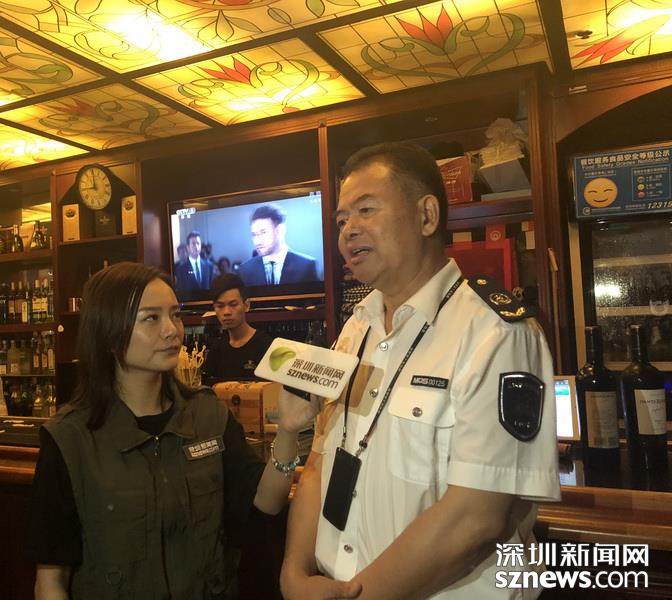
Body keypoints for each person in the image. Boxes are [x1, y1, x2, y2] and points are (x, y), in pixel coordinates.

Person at [280, 142, 560, 600]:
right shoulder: (356, 329)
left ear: (427, 216)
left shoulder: (495, 332)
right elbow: (320, 462)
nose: (348, 231)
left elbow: (475, 517)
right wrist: (294, 572)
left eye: (366, 210)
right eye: (341, 220)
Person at [29, 262, 318, 599]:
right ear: (109, 332)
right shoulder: (69, 439)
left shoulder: (208, 414)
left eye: (175, 315)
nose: (172, 330)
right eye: (151, 318)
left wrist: (287, 432)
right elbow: (50, 581)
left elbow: (265, 503)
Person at [203, 273, 273, 381]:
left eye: (233, 304)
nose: (226, 312)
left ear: (246, 305)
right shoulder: (217, 348)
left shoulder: (266, 345)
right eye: (220, 306)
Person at [238, 205, 318, 286]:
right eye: (254, 234)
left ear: (279, 230)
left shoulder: (306, 266)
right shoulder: (245, 270)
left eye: (263, 232)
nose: (257, 241)